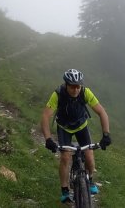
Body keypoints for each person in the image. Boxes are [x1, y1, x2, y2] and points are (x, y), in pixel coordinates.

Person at [41, 69, 111, 203]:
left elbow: (101, 112)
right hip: (64, 128)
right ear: (66, 85)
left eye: (78, 86)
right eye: (72, 86)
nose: (75, 90)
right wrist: (48, 139)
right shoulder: (58, 94)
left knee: (89, 156)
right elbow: (45, 116)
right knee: (65, 157)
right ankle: (65, 190)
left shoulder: (85, 92)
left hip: (81, 126)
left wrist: (106, 134)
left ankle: (89, 181)